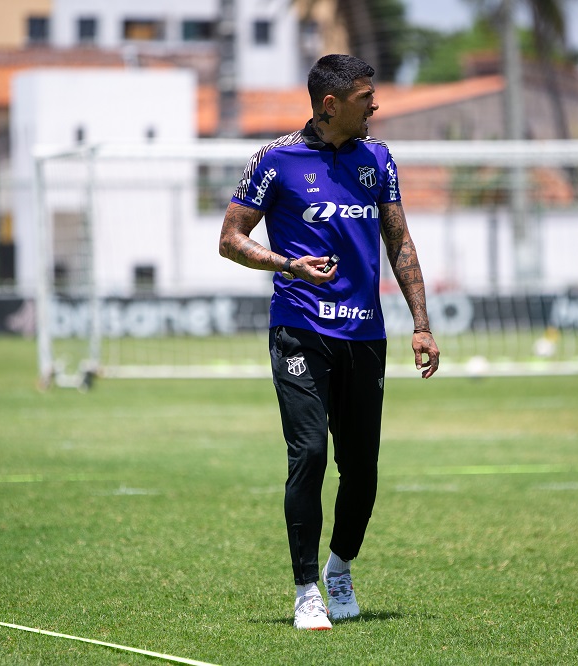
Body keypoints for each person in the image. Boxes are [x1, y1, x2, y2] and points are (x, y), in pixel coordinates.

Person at [218, 54, 440, 630]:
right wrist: (289, 265)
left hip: (365, 333)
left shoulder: (379, 159)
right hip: (300, 327)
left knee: (361, 468)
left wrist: (421, 323)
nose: (376, 105)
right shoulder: (274, 161)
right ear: (330, 104)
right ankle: (306, 591)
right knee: (310, 453)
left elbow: (400, 240)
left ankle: (341, 568)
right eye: (367, 97)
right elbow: (230, 240)